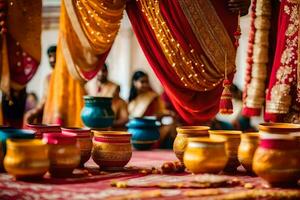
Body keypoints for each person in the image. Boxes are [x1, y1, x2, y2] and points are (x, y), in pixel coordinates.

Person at [23, 46, 57, 125]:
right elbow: (45, 99)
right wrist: (34, 111)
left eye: (55, 56)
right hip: (49, 115)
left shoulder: (68, 77)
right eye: (50, 56)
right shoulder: (48, 78)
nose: (52, 60)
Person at [93, 64, 129, 129]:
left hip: (111, 126)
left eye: (103, 71)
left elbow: (125, 119)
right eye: (98, 71)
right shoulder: (90, 87)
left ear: (107, 72)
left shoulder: (114, 88)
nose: (101, 73)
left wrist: (108, 123)